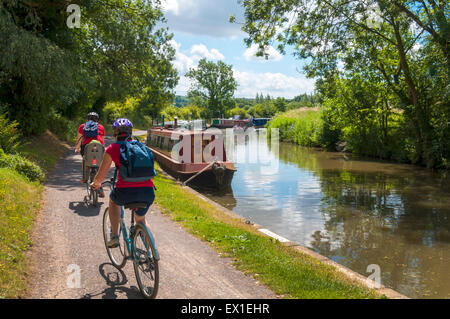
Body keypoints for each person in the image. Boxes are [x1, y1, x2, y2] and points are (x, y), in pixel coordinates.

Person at [90, 118, 156, 248]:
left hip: (125, 192)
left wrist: (96, 183)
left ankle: (114, 236)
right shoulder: (141, 147)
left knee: (113, 202)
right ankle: (151, 254)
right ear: (130, 133)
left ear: (115, 133)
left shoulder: (112, 148)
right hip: (148, 192)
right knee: (141, 220)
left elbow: (101, 174)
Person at [75, 112, 105, 197]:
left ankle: (84, 178)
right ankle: (101, 188)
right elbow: (102, 140)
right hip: (98, 147)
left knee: (85, 160)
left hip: (87, 147)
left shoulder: (83, 126)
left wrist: (77, 148)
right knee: (99, 166)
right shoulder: (101, 127)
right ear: (97, 119)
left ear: (87, 119)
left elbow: (79, 139)